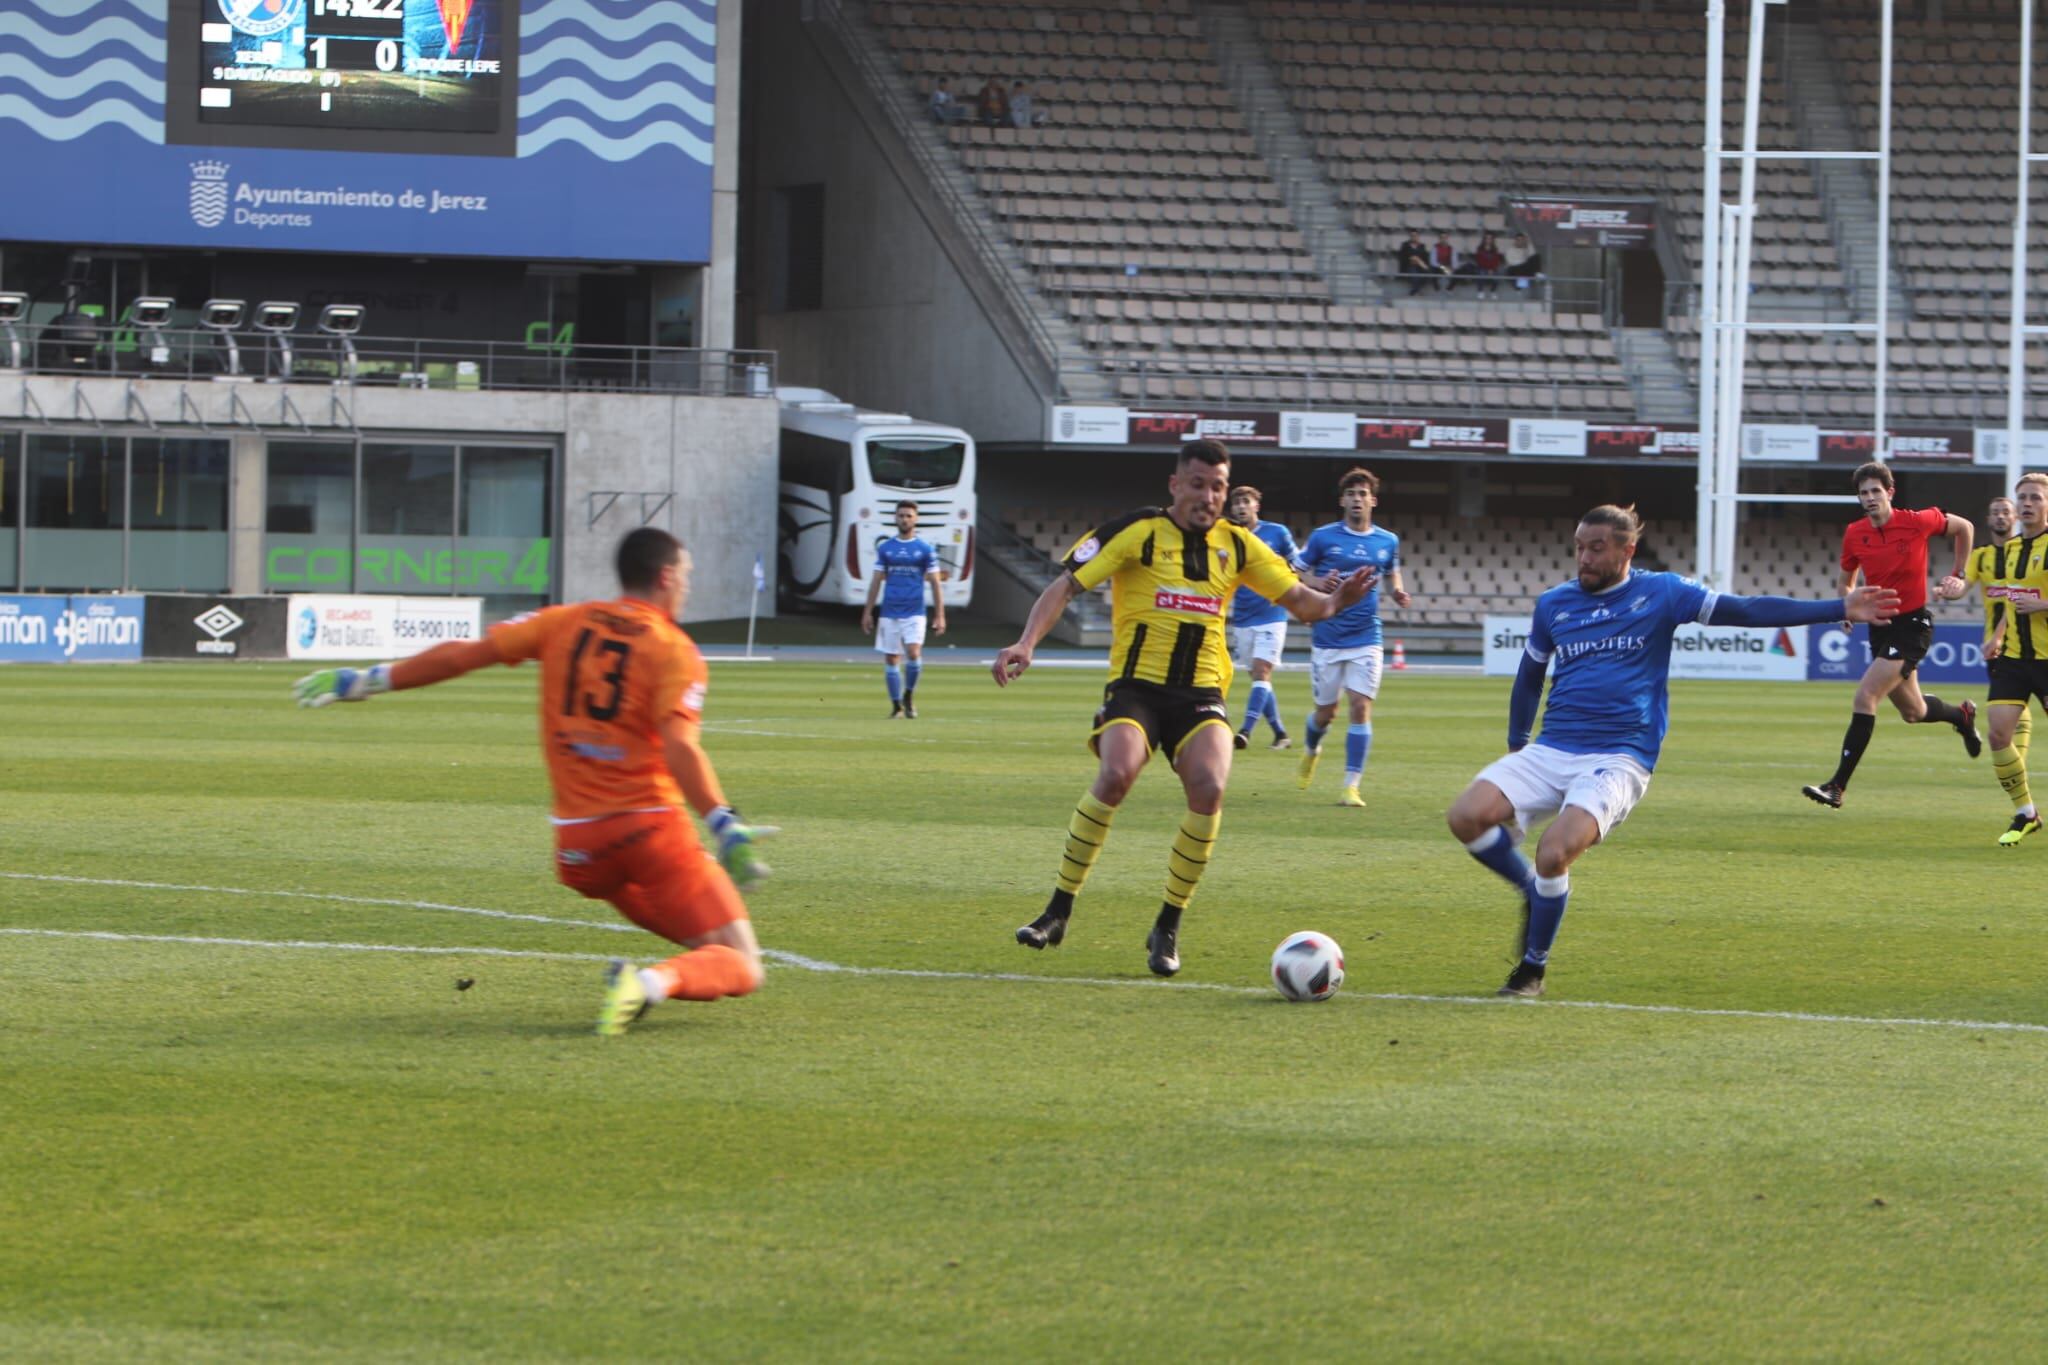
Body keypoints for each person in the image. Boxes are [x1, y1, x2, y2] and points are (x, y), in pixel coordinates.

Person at [292, 528, 774, 1036]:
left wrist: (364, 681)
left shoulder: (563, 622)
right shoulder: (673, 649)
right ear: (666, 576)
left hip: (580, 853)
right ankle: (647, 985)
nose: (689, 586)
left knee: (707, 943)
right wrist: (725, 823)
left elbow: (463, 654)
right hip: (652, 834)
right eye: (688, 575)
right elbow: (680, 747)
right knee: (742, 962)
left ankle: (658, 977)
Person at [1447, 505, 1902, 998]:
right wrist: (1518, 745)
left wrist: (1837, 608)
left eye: (1596, 548)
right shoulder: (1554, 604)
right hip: (1553, 746)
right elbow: (1530, 674)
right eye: (1579, 547)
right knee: (1466, 816)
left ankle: (1531, 970)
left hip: (1619, 755)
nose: (1584, 558)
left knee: (1554, 853)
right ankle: (1530, 890)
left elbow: (1745, 610)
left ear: (1628, 549)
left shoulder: (1662, 592)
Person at [992, 440, 1376, 977]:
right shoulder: (1137, 531)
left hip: (1200, 695)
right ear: (1176, 485)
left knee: (1210, 787)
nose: (1209, 496)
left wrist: (1337, 601)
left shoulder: (1238, 545)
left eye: (1218, 487)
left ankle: (1167, 926)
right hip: (1136, 689)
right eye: (1198, 484)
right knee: (1117, 773)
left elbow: (1302, 604)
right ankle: (1058, 911)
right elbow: (1066, 585)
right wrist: (1026, 642)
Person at [1800, 462, 1978, 809]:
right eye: (1863, 493)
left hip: (1912, 625)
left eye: (1875, 491)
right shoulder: (1855, 533)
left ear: (1890, 493)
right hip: (1879, 627)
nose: (1870, 498)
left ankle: (1837, 786)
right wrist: (1846, 607)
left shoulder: (1917, 521)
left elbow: (1965, 527)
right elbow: (1846, 580)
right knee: (1914, 711)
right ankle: (1962, 716)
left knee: (1865, 696)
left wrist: (1958, 574)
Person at [1295, 468, 1409, 807]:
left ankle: (1350, 786)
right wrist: (1316, 585)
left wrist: (1397, 591)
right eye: (1351, 494)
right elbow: (1291, 572)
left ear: (1373, 501)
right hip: (1328, 637)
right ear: (1342, 501)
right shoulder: (1322, 537)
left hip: (1366, 637)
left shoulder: (1387, 541)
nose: (1357, 499)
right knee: (1325, 714)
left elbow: (1391, 573)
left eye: (1362, 494)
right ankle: (1311, 749)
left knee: (1360, 707)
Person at [1973, 475, 2048, 846]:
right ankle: (2026, 813)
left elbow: (2032, 601)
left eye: (2035, 497)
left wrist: (2043, 604)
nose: (2028, 503)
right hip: (2015, 658)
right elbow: (2012, 601)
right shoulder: (2013, 548)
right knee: (1998, 734)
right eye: (2023, 498)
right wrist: (1998, 636)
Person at [1223, 484, 1304, 750]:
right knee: (1260, 679)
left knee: (1262, 671)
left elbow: (1298, 565)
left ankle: (1245, 731)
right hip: (1242, 618)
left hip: (1272, 615)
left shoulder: (1277, 533)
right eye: (1236, 503)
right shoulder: (1229, 536)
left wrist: (1301, 601)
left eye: (1246, 502)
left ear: (1256, 506)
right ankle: (1281, 734)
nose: (1241, 507)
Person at [862, 499, 947, 718]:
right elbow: (876, 580)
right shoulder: (886, 549)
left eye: (909, 516)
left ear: (916, 519)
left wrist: (940, 615)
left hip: (914, 611)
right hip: (889, 611)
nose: (904, 519)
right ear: (895, 518)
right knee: (892, 658)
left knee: (913, 652)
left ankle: (908, 695)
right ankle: (896, 705)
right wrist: (867, 612)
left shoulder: (925, 549)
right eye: (901, 515)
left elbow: (936, 583)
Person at [1396, 229, 1441, 296]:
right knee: (1414, 274)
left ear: (1418, 237)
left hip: (1420, 265)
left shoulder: (1422, 246)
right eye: (1412, 236)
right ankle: (1416, 290)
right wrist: (1410, 259)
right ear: (1410, 237)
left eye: (1415, 236)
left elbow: (1425, 258)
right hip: (1409, 265)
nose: (1414, 237)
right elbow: (1401, 257)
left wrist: (1420, 261)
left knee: (1429, 273)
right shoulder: (1405, 245)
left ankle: (1415, 289)